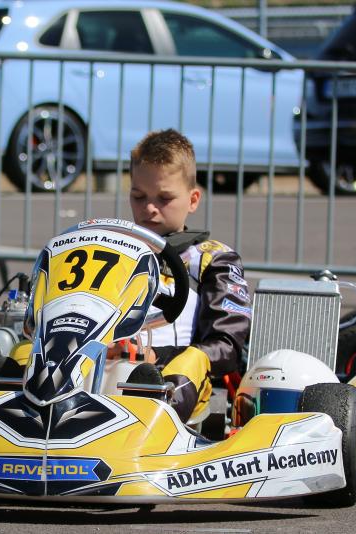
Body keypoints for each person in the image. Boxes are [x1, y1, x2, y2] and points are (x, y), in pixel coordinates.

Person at [117, 128, 251, 424]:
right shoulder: (113, 252)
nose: (149, 208)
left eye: (164, 198)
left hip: (173, 378)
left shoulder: (211, 258)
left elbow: (226, 346)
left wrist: (155, 355)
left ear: (193, 200)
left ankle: (151, 422)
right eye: (138, 196)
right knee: (27, 350)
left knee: (194, 359)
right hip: (110, 364)